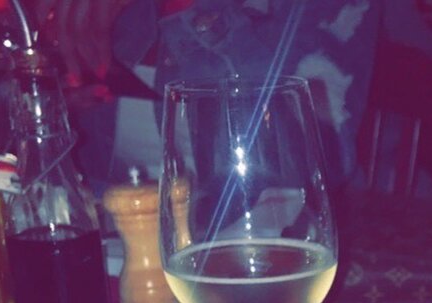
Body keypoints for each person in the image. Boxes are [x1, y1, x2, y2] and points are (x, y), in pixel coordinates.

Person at [23, 0, 383, 188]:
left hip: (275, 259)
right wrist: (48, 111)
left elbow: (309, 170)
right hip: (121, 259)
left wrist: (187, 8)